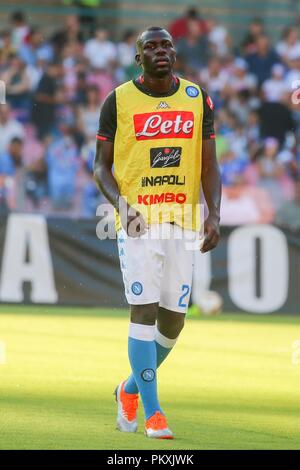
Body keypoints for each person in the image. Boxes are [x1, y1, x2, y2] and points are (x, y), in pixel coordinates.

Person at [93, 26, 221, 439]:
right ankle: (154, 413)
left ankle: (128, 389)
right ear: (139, 58)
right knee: (143, 311)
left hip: (184, 221)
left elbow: (209, 164)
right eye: (150, 46)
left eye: (166, 44)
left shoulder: (197, 98)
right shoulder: (118, 100)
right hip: (139, 221)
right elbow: (100, 166)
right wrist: (122, 207)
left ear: (175, 52)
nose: (160, 50)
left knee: (173, 324)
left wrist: (214, 213)